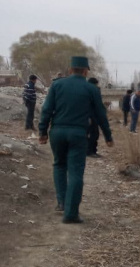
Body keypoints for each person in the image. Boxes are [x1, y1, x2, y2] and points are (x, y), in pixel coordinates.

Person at [38, 56, 113, 223]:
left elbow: (47, 110)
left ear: (70, 70)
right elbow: (101, 115)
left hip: (57, 132)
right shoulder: (91, 89)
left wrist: (42, 131)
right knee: (76, 172)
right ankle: (71, 214)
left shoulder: (57, 85)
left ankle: (62, 203)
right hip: (78, 134)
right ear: (86, 71)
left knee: (59, 165)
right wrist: (108, 136)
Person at [86, 77, 102, 158]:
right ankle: (90, 151)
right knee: (93, 134)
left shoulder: (87, 90)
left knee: (93, 134)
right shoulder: (90, 91)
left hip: (92, 115)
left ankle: (92, 150)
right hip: (90, 116)